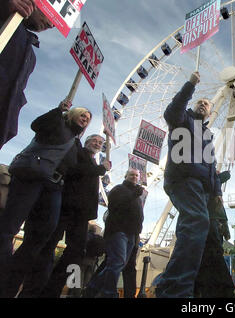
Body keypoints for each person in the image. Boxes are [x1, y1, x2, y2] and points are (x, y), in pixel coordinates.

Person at [0, 100, 91, 297]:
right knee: (10, 227)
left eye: (88, 118)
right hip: (32, 178)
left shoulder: (76, 143)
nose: (86, 119)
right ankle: (5, 272)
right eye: (83, 115)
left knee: (42, 235)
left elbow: (78, 170)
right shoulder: (57, 123)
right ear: (72, 114)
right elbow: (36, 125)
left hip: (54, 187)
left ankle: (12, 275)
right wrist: (59, 110)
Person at [155, 72, 222, 298]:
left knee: (190, 230)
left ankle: (169, 287)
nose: (203, 105)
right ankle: (177, 291)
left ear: (211, 112)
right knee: (197, 222)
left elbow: (212, 165)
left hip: (202, 187)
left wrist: (217, 191)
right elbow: (172, 110)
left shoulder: (207, 134)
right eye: (200, 102)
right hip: (184, 179)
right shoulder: (183, 119)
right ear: (195, 106)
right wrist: (190, 85)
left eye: (207, 104)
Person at [19, 134, 110, 297]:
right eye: (94, 141)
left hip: (82, 213)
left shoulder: (94, 163)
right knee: (49, 245)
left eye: (100, 142)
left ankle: (53, 288)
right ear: (87, 142)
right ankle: (33, 287)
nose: (97, 143)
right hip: (67, 207)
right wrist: (101, 169)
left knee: (77, 252)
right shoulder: (78, 152)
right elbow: (75, 170)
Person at [0, 0, 54, 149]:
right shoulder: (6, 17)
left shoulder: (31, 57)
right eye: (52, 16)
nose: (52, 25)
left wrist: (8, 127)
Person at [84, 168, 144, 298]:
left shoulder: (138, 196)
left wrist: (138, 232)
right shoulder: (118, 189)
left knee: (118, 264)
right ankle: (109, 293)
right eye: (131, 175)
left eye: (136, 175)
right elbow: (115, 205)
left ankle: (92, 289)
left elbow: (139, 215)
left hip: (132, 235)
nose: (134, 177)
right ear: (126, 176)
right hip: (118, 231)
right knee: (117, 262)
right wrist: (133, 195)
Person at [194, 170, 235, 298]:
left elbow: (222, 215)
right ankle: (223, 290)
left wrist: (225, 228)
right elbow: (224, 176)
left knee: (211, 255)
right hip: (210, 223)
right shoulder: (208, 185)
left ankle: (205, 290)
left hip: (215, 224)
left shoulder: (214, 194)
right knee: (214, 253)